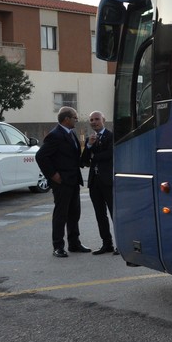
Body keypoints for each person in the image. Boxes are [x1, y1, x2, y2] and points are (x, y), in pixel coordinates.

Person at [35, 107, 88, 257]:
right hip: (62, 182)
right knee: (61, 215)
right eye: (74, 118)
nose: (76, 120)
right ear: (66, 119)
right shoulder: (55, 135)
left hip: (73, 180)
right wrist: (53, 175)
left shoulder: (71, 133)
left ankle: (74, 243)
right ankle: (58, 246)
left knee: (74, 213)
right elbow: (41, 156)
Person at [80, 111, 117, 255]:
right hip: (94, 182)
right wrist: (88, 146)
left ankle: (120, 245)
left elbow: (110, 154)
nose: (94, 122)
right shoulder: (90, 138)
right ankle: (106, 244)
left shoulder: (111, 136)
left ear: (103, 120)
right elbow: (83, 160)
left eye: (97, 119)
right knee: (100, 215)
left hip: (107, 181)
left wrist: (94, 158)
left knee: (114, 213)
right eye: (91, 120)